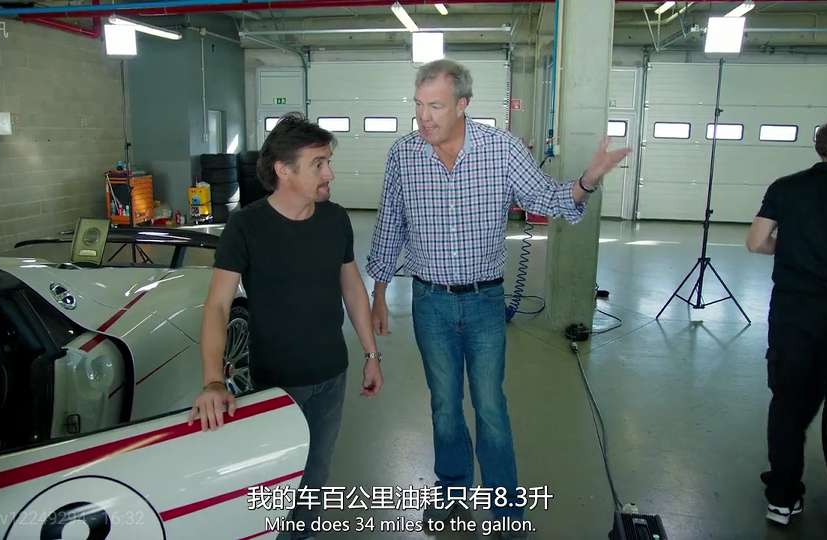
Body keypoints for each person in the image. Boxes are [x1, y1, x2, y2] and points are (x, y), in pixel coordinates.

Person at [366, 59, 630, 537]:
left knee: (490, 406)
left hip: (485, 303)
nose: (424, 117)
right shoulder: (403, 154)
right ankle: (452, 493)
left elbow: (547, 199)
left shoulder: (501, 149)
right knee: (444, 405)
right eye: (419, 105)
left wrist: (587, 181)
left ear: (463, 104)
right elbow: (391, 225)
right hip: (430, 303)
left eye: (435, 106)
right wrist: (379, 292)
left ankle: (506, 510)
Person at [189, 113, 384, 539]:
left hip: (332, 374)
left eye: (328, 162)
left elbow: (353, 287)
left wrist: (371, 354)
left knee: (316, 477)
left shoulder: (335, 219)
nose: (329, 173)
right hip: (276, 382)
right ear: (284, 169)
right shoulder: (246, 226)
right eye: (318, 164)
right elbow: (218, 306)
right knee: (277, 482)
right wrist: (212, 381)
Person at [746, 115, 827, 526]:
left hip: (791, 309)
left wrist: (791, 247)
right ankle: (786, 475)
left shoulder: (785, 187)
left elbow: (756, 241)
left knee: (786, 399)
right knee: (815, 394)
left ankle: (782, 494)